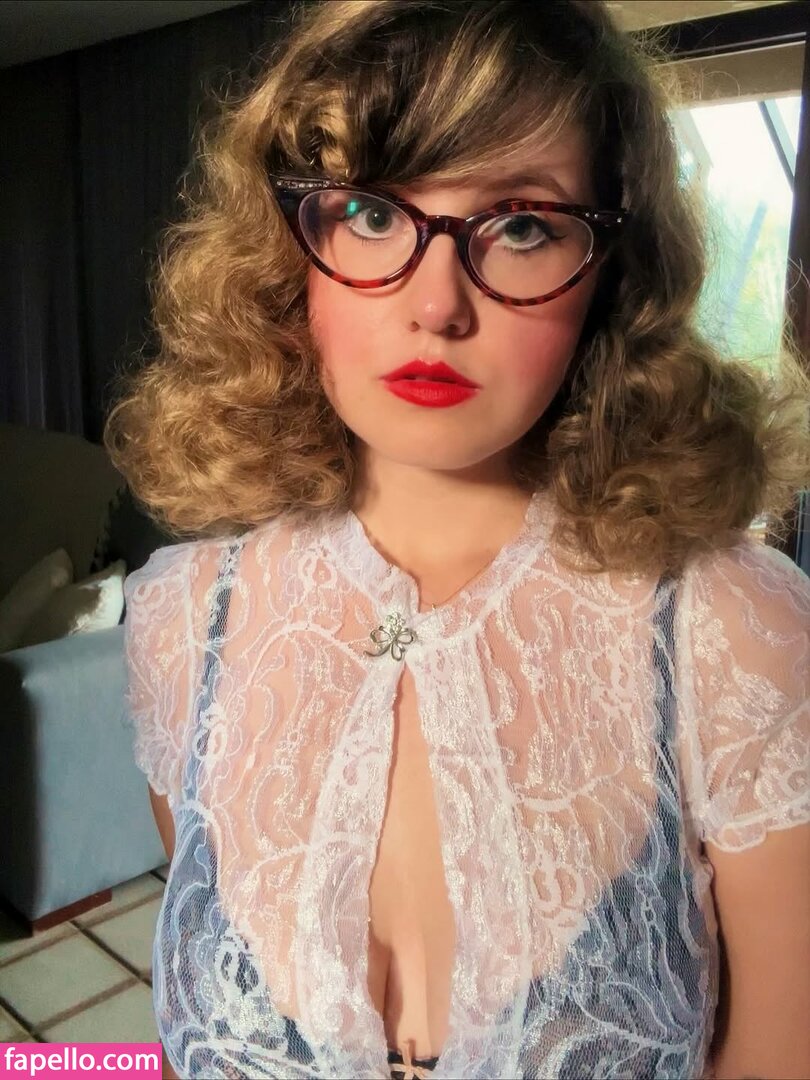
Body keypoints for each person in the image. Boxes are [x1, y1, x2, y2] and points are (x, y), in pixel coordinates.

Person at [104, 1, 810, 1078]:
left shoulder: (732, 635)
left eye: (522, 226)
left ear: (608, 274)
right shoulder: (180, 621)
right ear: (292, 247)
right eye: (371, 212)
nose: (437, 304)